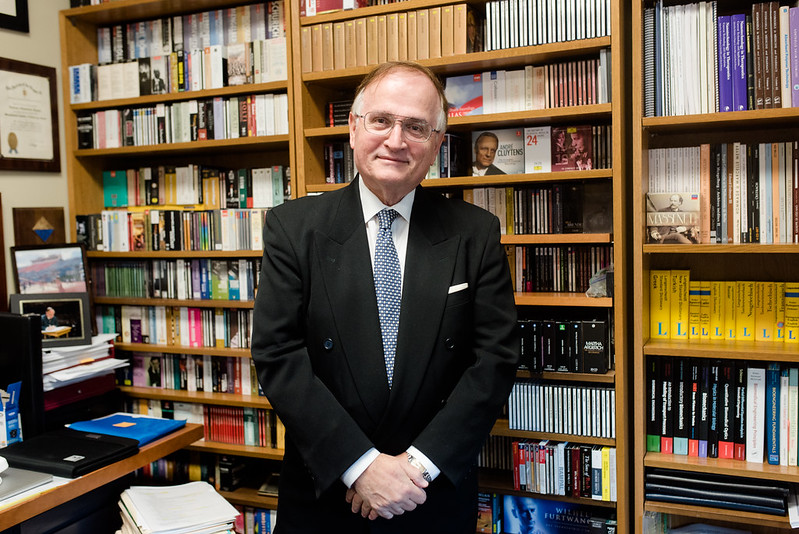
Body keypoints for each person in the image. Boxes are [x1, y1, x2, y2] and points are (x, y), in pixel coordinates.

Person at [251, 61, 519, 532]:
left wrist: (414, 469)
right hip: (328, 491)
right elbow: (278, 356)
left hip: (428, 495)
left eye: (416, 127)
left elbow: (494, 360)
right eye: (381, 121)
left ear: (436, 145)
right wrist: (360, 465)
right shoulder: (292, 229)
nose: (397, 140)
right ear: (354, 129)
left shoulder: (476, 233)